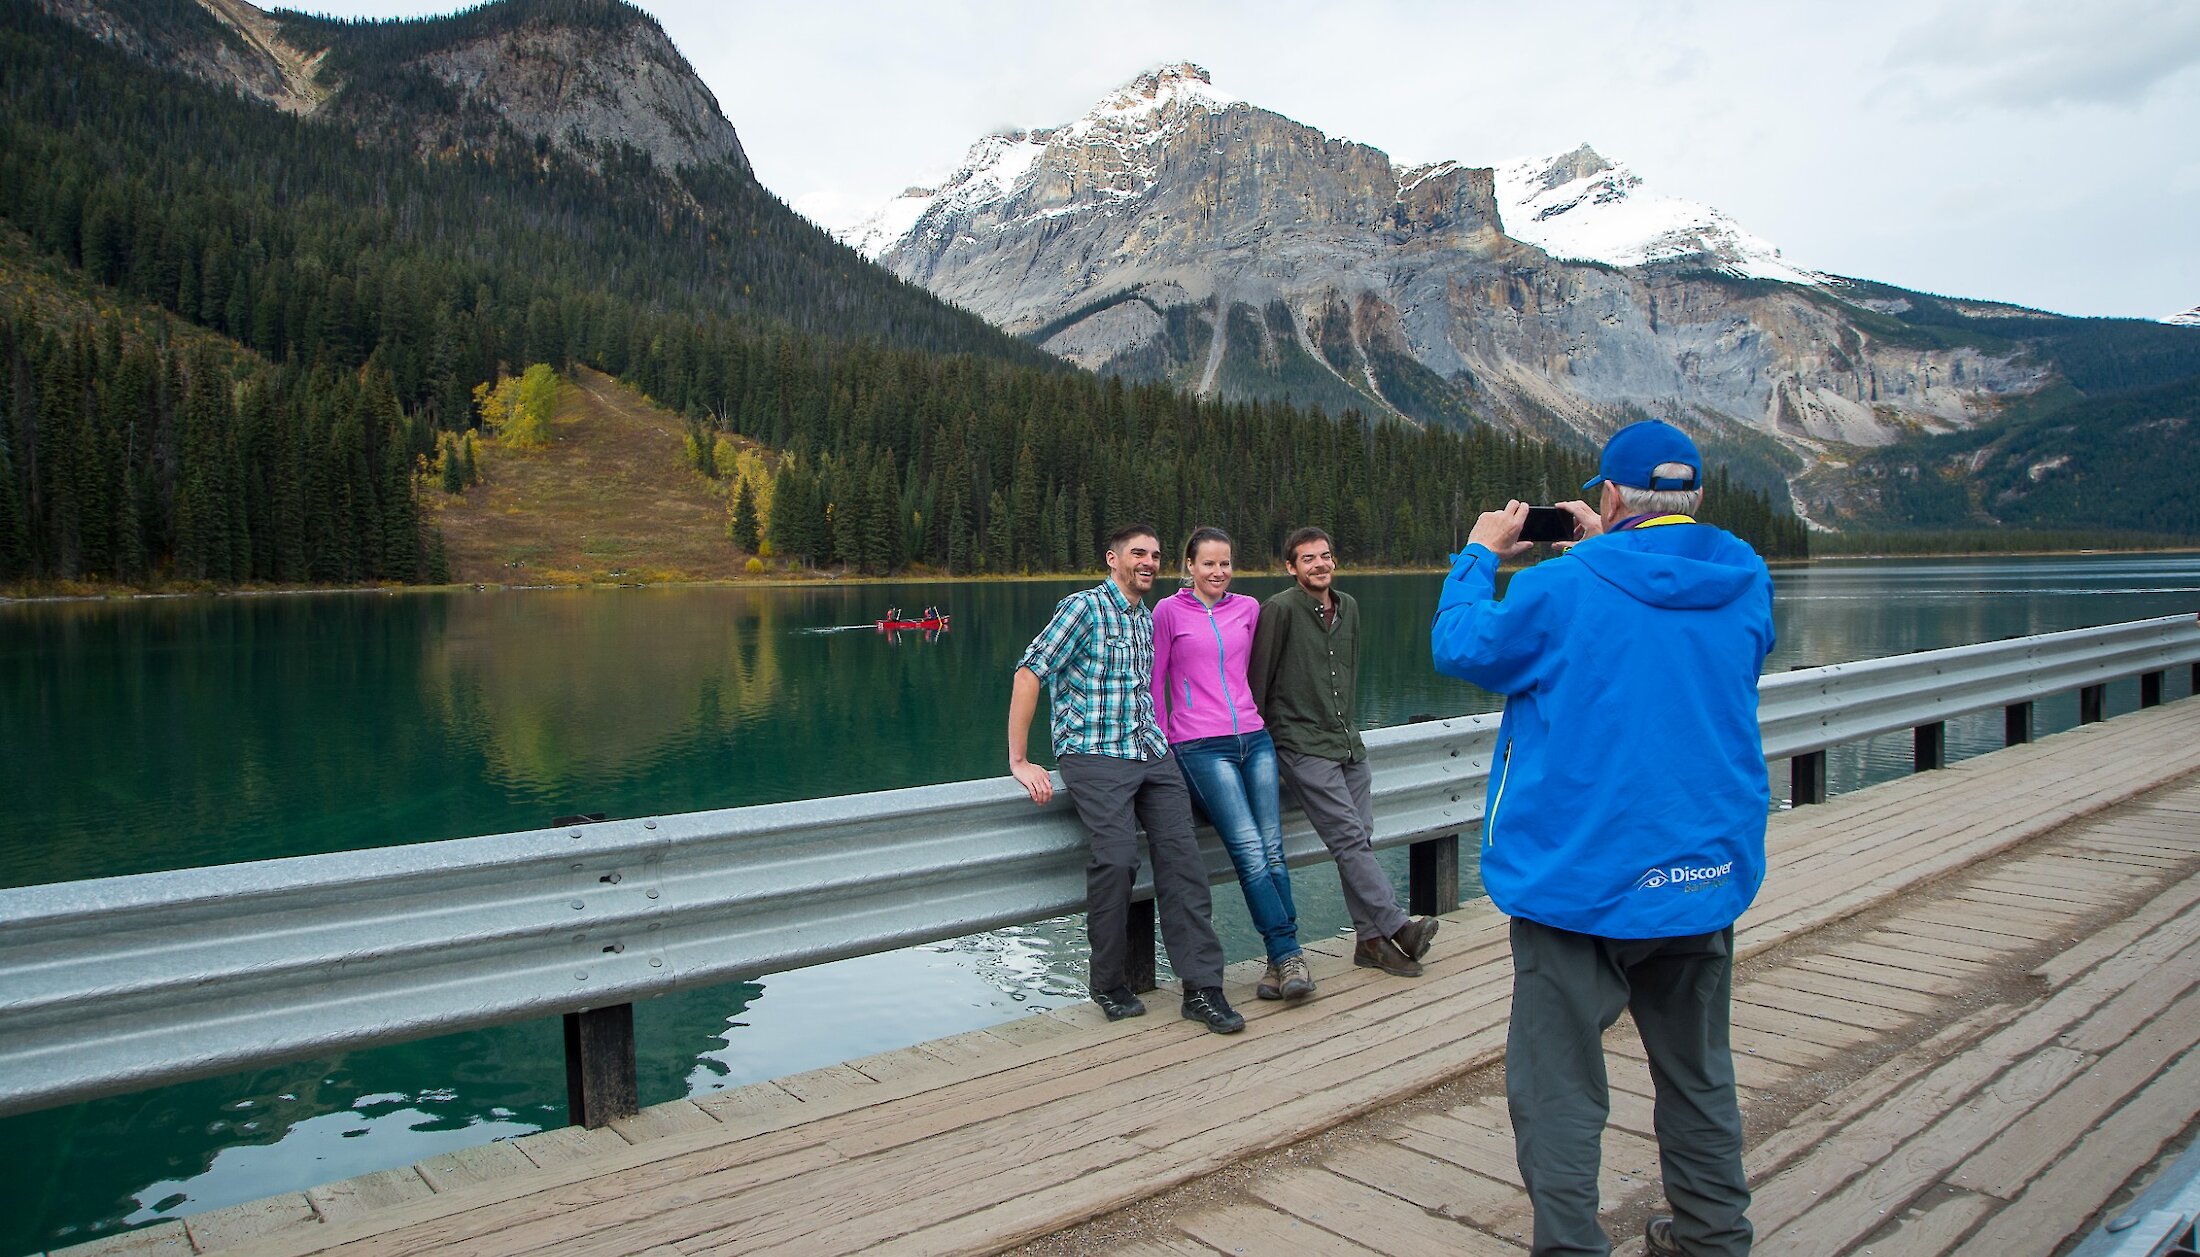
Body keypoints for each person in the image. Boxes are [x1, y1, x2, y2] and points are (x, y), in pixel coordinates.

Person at [1429, 419, 1775, 1257]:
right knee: (1698, 1074)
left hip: (1579, 879)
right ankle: (1713, 1237)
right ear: (1695, 497)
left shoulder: (1569, 585)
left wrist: (1480, 552)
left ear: (1609, 496)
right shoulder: (1747, 578)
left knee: (1559, 1091)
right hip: (1702, 869)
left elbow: (1461, 644)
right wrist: (1607, 544)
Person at [1008, 522, 1245, 1034]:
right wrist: (1020, 760)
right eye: (1138, 553)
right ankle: (1108, 981)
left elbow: (1196, 609)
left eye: (1156, 555)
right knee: (1116, 859)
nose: (1149, 562)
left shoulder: (1145, 615)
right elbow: (1029, 673)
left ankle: (1203, 990)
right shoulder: (1082, 608)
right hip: (1093, 754)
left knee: (1184, 861)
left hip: (1150, 751)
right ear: (1111, 558)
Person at [1248, 526, 1441, 979]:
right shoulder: (1277, 610)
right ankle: (1396, 926)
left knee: (1360, 840)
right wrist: (1265, 749)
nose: (1320, 564)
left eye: (1325, 556)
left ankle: (1370, 942)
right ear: (1291, 567)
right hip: (1302, 746)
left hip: (1348, 744)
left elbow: (1347, 676)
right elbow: (1258, 684)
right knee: (1349, 839)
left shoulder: (1349, 607)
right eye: (1308, 558)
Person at [1152, 526, 1313, 1003]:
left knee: (1273, 850)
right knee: (1249, 850)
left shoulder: (1246, 609)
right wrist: (1164, 743)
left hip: (1254, 738)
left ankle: (1278, 964)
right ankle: (1288, 954)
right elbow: (1156, 678)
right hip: (1200, 745)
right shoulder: (1167, 612)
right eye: (1208, 564)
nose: (1218, 572)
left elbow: (1260, 672)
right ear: (1190, 567)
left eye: (1225, 563)